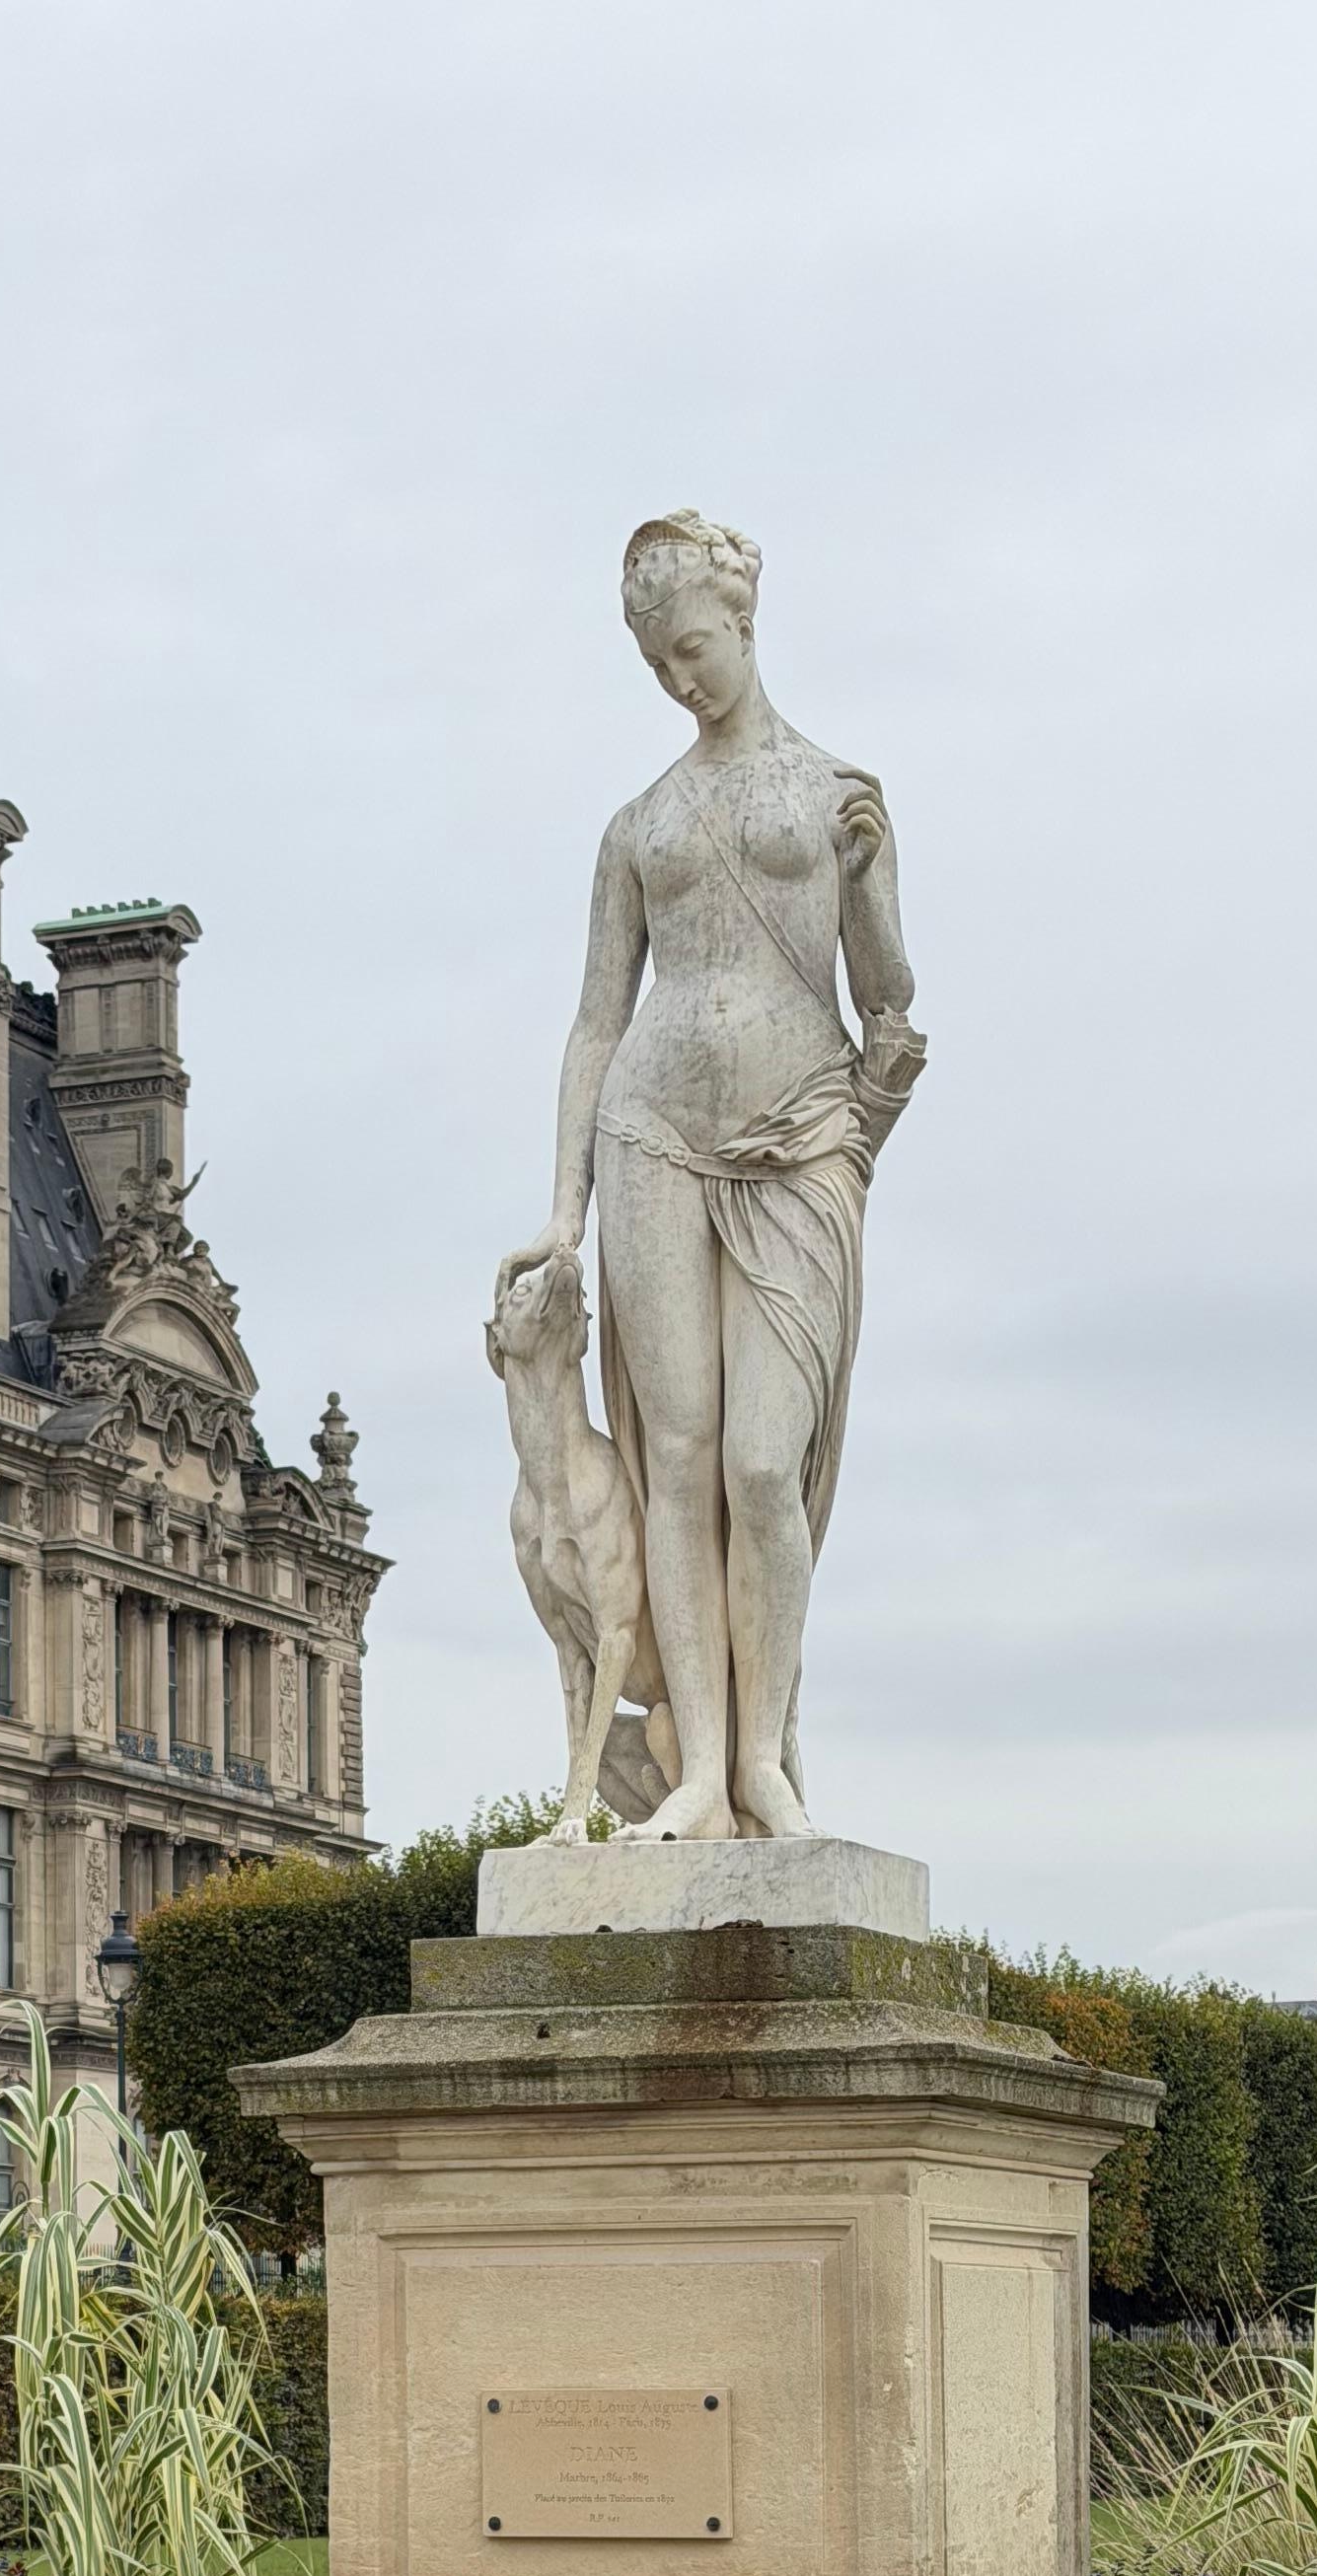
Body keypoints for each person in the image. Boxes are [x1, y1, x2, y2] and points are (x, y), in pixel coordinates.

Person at [502, 513, 924, 1841]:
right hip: (650, 1136)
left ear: (742, 622)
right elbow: (594, 1022)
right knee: (670, 1456)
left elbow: (891, 1003)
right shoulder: (640, 824)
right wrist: (563, 1208)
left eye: (690, 649)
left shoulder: (841, 799)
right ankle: (696, 1776)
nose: (680, 679)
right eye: (656, 665)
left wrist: (855, 1135)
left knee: (759, 1466)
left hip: (800, 1135)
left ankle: (763, 1763)